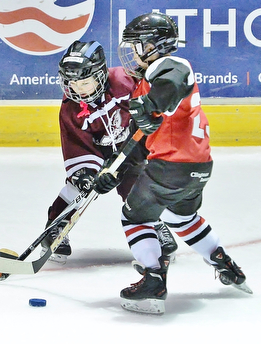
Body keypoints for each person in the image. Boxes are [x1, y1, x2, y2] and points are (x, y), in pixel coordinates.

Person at [103, 12, 251, 314]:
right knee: (179, 217)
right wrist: (111, 170)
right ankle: (223, 262)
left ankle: (153, 281)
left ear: (154, 45)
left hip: (171, 167)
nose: (132, 52)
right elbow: (140, 140)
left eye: (137, 45)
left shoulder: (169, 66)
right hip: (196, 169)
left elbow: (173, 82)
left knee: (135, 217)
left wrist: (151, 104)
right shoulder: (149, 83)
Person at [43, 40, 177, 263]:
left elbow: (150, 103)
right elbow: (76, 144)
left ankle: (154, 225)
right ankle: (55, 226)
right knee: (78, 187)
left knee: (138, 189)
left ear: (100, 75)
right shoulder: (70, 108)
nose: (78, 89)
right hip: (96, 152)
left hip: (129, 149)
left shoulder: (124, 82)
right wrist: (86, 174)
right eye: (72, 83)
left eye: (84, 82)